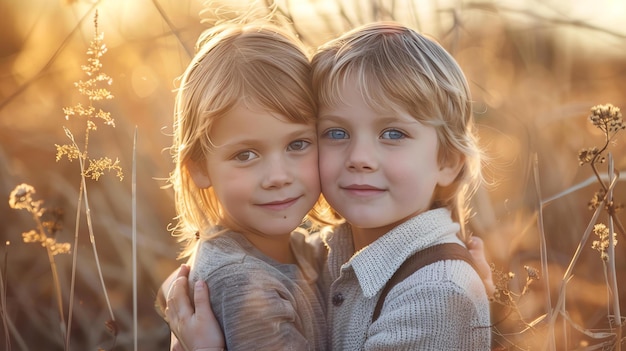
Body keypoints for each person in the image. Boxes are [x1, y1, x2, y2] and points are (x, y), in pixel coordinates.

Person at [163, 21, 494, 351]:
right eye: (337, 133)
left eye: (393, 134)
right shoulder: (334, 251)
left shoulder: (437, 296)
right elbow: (205, 279)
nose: (360, 158)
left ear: (448, 161)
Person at [155, 20, 339, 351]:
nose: (277, 176)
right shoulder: (242, 284)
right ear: (199, 168)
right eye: (246, 154)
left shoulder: (293, 249)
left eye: (297, 144)